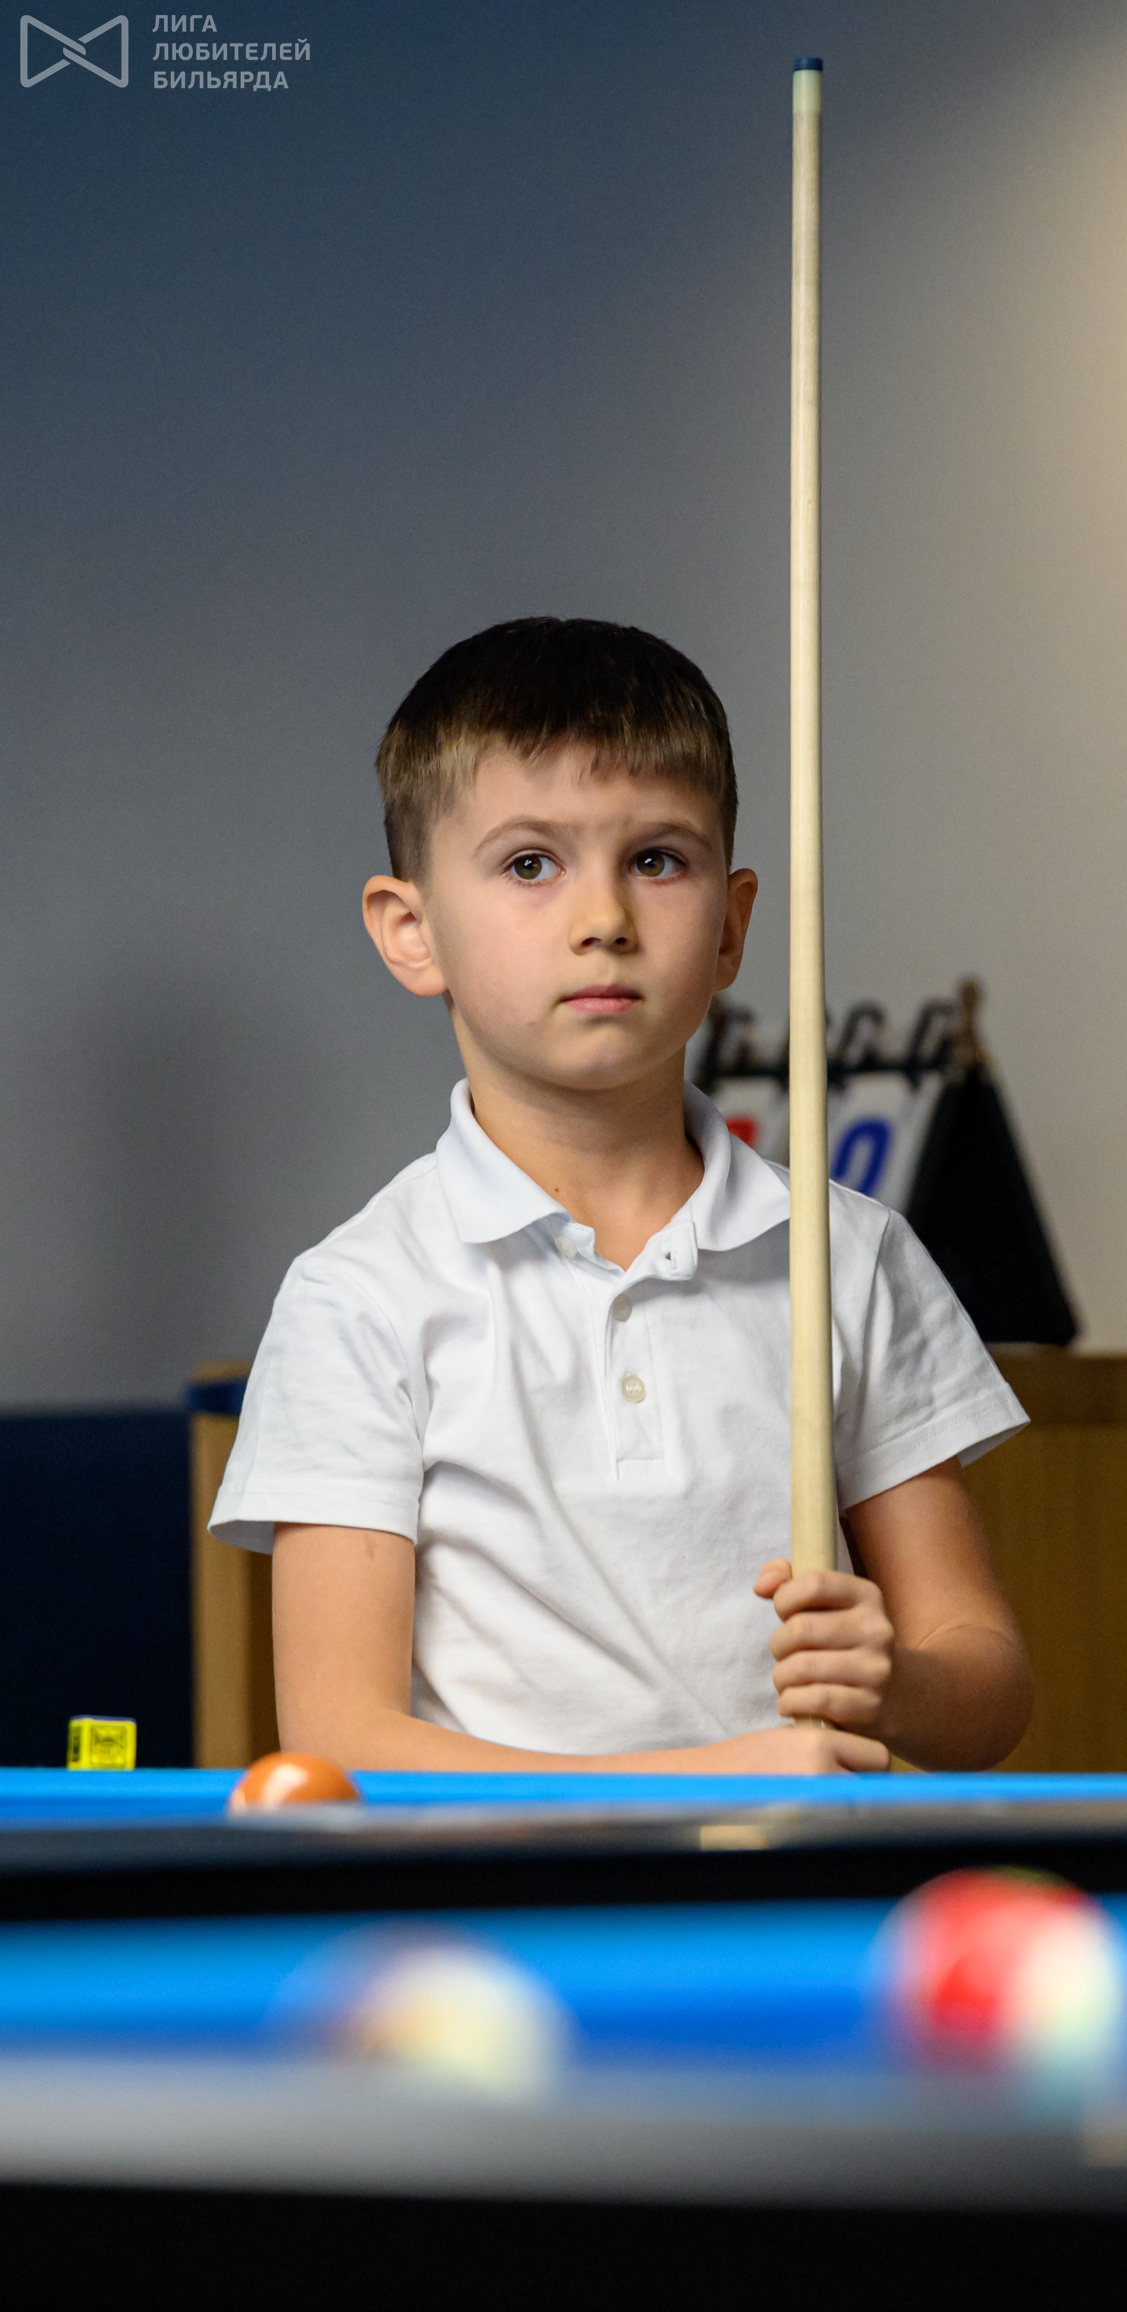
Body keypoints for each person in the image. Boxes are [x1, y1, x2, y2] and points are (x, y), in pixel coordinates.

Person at [210, 617, 1034, 1775]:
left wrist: (900, 1688)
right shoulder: (357, 1297)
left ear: (732, 927)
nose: (603, 919)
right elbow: (340, 1741)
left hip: (799, 1883)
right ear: (411, 931)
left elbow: (986, 1681)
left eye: (656, 860)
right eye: (529, 864)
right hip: (506, 1897)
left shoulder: (846, 1255)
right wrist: (713, 1775)